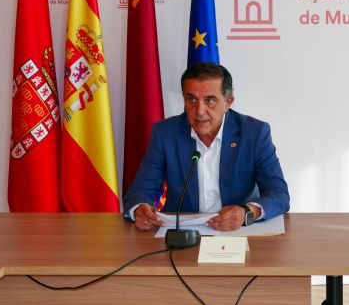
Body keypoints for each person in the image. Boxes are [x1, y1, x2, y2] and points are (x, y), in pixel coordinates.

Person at [123, 62, 289, 231]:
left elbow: (279, 194)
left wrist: (247, 212)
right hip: (182, 232)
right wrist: (140, 209)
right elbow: (141, 190)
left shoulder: (254, 133)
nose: (199, 111)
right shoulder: (165, 133)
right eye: (192, 100)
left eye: (209, 101)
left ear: (228, 102)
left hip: (237, 230)